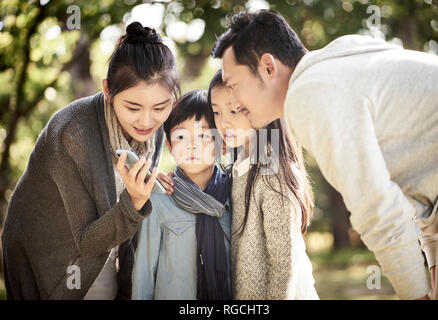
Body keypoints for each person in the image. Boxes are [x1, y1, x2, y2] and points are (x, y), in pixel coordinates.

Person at [211, 9, 438, 299]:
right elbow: (422, 169)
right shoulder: (340, 58)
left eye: (234, 85)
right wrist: (436, 258)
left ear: (268, 67)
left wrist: (415, 295)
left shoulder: (309, 93)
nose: (233, 101)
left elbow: (376, 208)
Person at [1, 22, 179, 299]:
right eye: (133, 107)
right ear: (108, 90)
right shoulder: (71, 132)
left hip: (107, 249)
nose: (147, 121)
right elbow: (86, 241)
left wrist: (157, 193)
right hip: (59, 264)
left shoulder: (152, 132)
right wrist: (134, 201)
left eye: (160, 107)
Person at [209, 69, 318, 299]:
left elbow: (283, 264)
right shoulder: (240, 165)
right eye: (216, 111)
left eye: (235, 110)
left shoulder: (272, 174)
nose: (223, 122)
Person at [132, 90, 232, 300]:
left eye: (204, 135)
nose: (191, 145)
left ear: (221, 143)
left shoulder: (235, 198)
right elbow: (144, 279)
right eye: (180, 136)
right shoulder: (158, 202)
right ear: (169, 145)